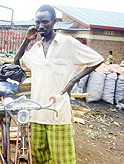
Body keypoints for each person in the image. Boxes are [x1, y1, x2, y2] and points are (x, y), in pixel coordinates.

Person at [14, 5, 104, 164]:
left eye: (45, 22)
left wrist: (73, 81)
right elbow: (16, 62)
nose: (41, 26)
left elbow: (97, 59)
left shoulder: (67, 43)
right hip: (37, 113)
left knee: (63, 160)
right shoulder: (36, 48)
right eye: (38, 22)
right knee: (39, 159)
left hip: (58, 114)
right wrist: (26, 40)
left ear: (55, 22)